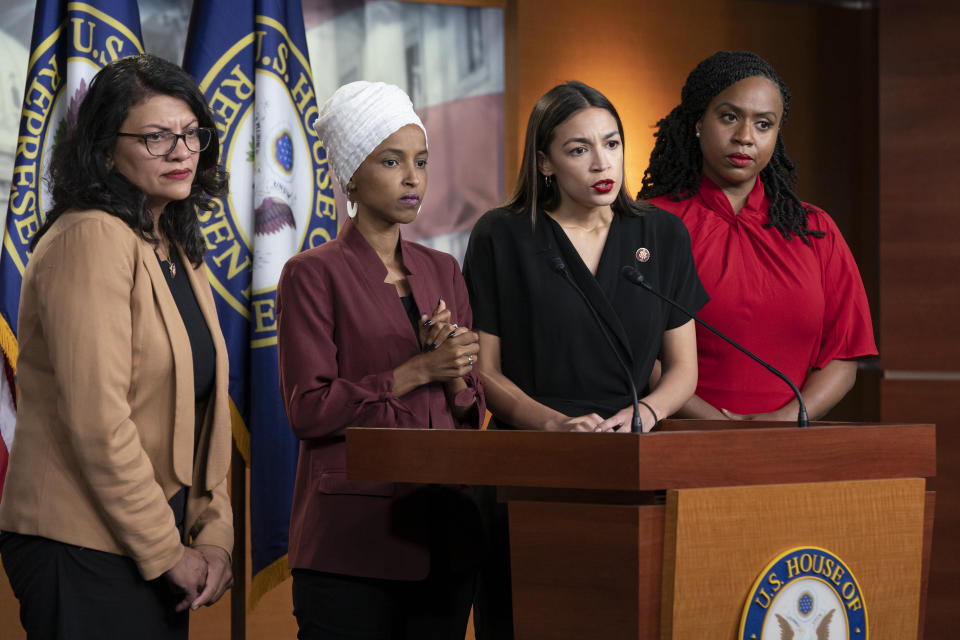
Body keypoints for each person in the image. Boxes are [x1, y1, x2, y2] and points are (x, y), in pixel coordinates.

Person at [462, 81, 707, 639]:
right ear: (544, 162)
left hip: (632, 464)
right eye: (578, 149)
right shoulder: (502, 235)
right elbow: (485, 369)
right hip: (527, 465)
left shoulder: (661, 234)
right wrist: (551, 423)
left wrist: (645, 413)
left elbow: (684, 370)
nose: (603, 162)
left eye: (612, 143)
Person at [0, 54, 234, 639]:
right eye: (156, 138)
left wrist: (215, 537)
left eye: (190, 134)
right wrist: (168, 551)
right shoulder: (90, 237)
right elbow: (98, 423)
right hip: (80, 547)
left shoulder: (170, 241)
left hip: (151, 544)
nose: (181, 151)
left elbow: (206, 412)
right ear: (106, 151)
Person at [277, 81, 485, 640]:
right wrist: (418, 370)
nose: (412, 177)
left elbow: (471, 411)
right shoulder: (312, 273)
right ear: (350, 174)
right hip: (351, 546)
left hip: (444, 535)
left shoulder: (443, 269)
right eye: (391, 161)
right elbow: (309, 410)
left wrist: (458, 373)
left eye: (421, 161)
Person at [639, 51, 877, 421]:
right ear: (699, 121)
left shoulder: (816, 230)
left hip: (789, 448)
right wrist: (715, 427)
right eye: (730, 117)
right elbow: (638, 351)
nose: (745, 137)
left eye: (764, 124)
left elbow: (843, 356)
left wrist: (779, 424)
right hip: (679, 441)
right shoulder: (651, 225)